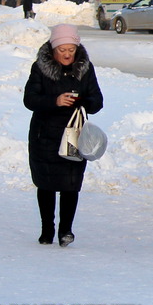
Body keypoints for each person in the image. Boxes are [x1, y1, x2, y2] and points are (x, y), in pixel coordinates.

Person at [23, 24, 104, 247]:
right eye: (62, 50)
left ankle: (66, 230)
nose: (67, 54)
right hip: (45, 135)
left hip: (74, 136)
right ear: (53, 49)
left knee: (71, 184)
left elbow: (97, 101)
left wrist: (82, 102)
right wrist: (55, 101)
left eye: (71, 49)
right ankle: (47, 229)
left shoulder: (85, 69)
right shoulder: (40, 68)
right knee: (46, 184)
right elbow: (30, 99)